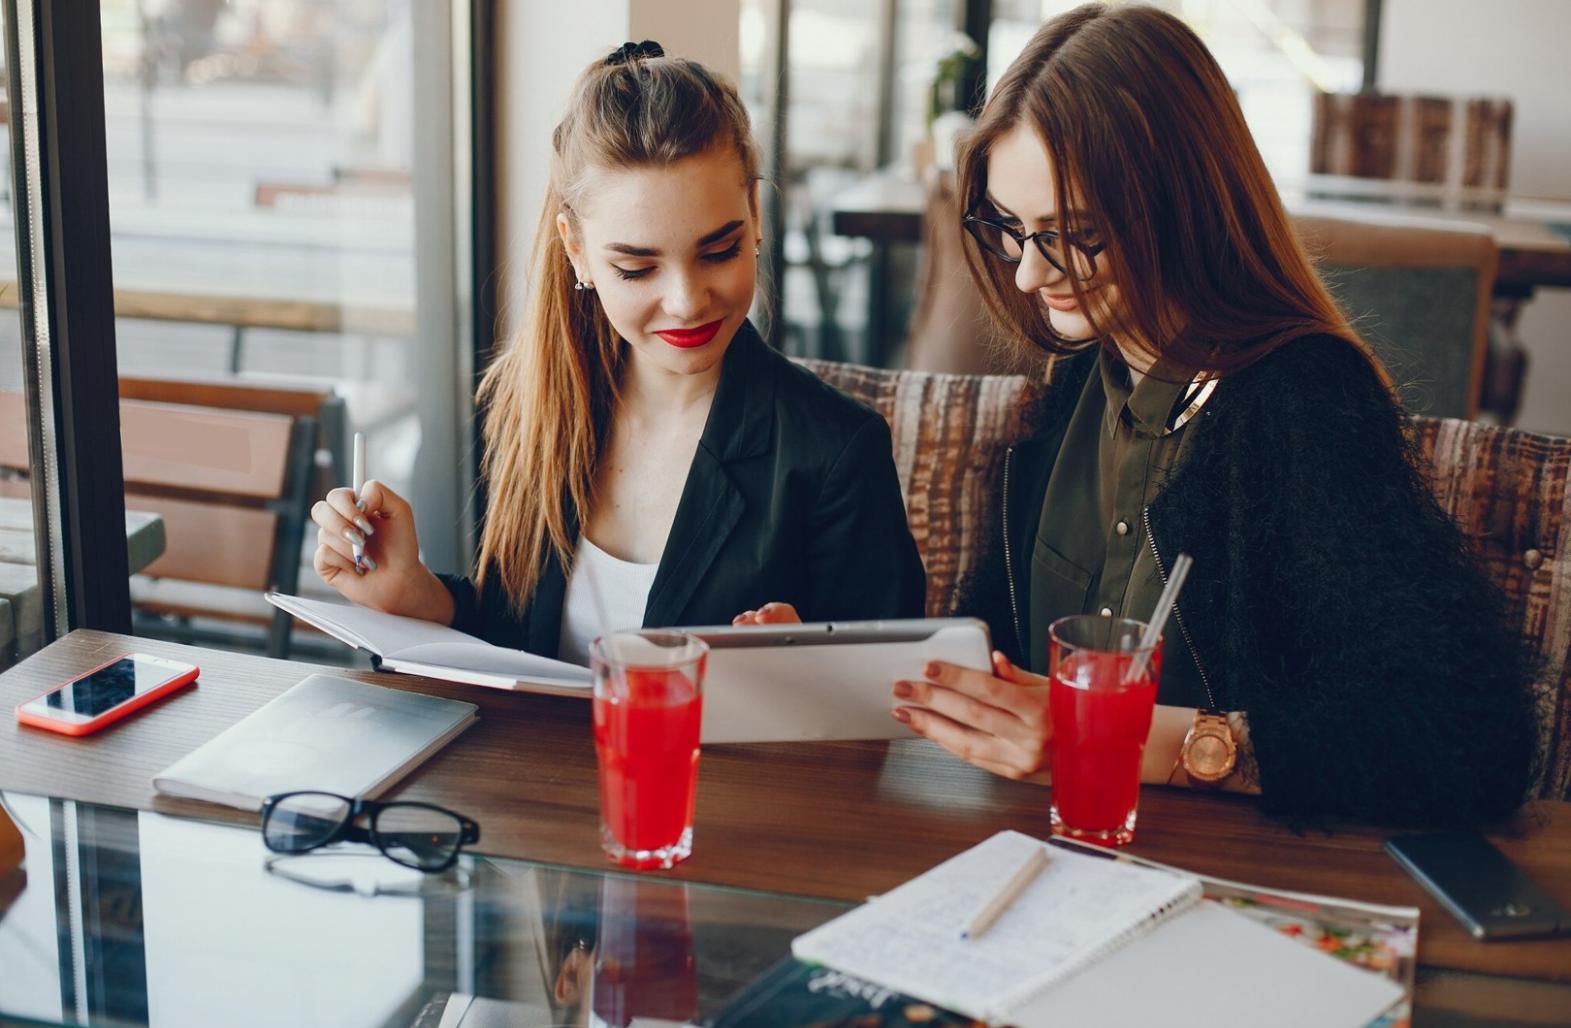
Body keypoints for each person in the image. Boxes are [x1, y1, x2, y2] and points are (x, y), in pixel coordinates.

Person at [748, 5, 1538, 826]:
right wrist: (842, 665)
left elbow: (1470, 742)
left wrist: (1140, 741)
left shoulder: (1302, 399)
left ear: (1180, 206)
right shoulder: (1078, 381)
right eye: (1010, 230)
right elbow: (1003, 659)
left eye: (1071, 234)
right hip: (1046, 852)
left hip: (1232, 884)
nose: (1025, 276)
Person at [310, 42, 924, 663]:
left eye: (718, 252)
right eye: (636, 266)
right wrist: (413, 593)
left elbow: (887, 710)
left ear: (755, 217)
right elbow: (518, 638)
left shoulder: (836, 451)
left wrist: (806, 675)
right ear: (575, 249)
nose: (686, 301)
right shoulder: (531, 408)